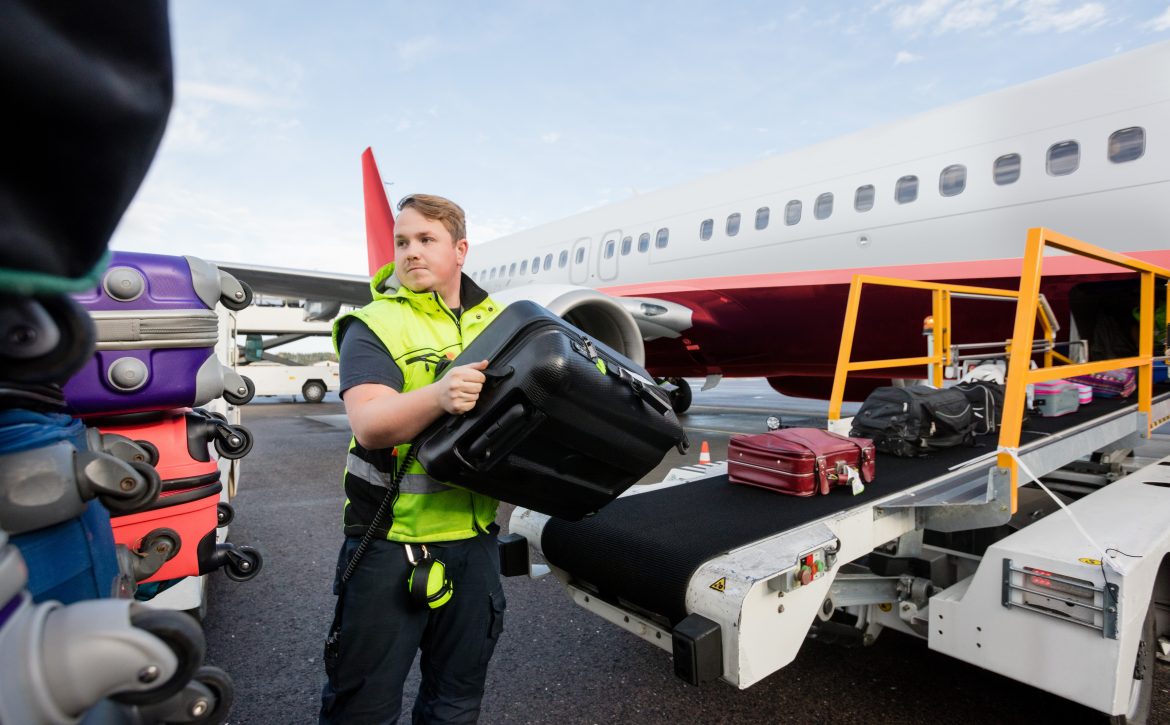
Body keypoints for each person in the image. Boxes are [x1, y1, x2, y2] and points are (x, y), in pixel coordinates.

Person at [320, 194, 507, 724]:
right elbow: (371, 424)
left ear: (460, 249)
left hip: (474, 545)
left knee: (455, 704)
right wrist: (438, 395)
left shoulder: (496, 321)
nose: (410, 253)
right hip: (389, 542)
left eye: (426, 240)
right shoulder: (375, 323)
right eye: (402, 241)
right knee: (363, 709)